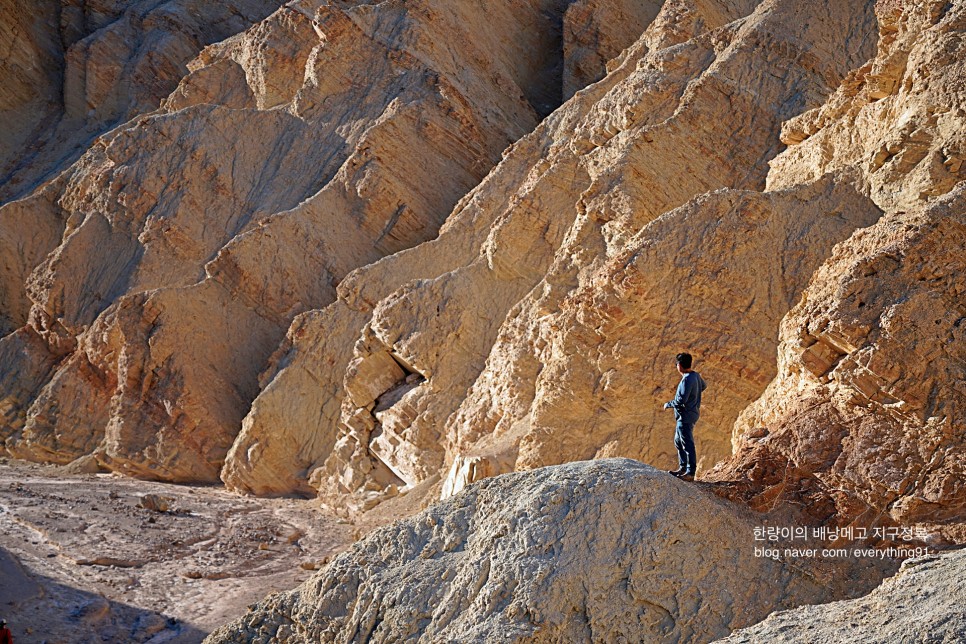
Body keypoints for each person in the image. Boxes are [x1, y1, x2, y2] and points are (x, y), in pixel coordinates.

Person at [663, 352, 706, 481]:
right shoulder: (695, 376)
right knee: (678, 441)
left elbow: (680, 400)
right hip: (691, 413)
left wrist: (668, 404)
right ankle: (683, 468)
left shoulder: (687, 379)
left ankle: (690, 472)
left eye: (677, 364)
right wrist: (694, 395)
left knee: (687, 443)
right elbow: (703, 386)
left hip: (685, 416)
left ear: (680, 365)